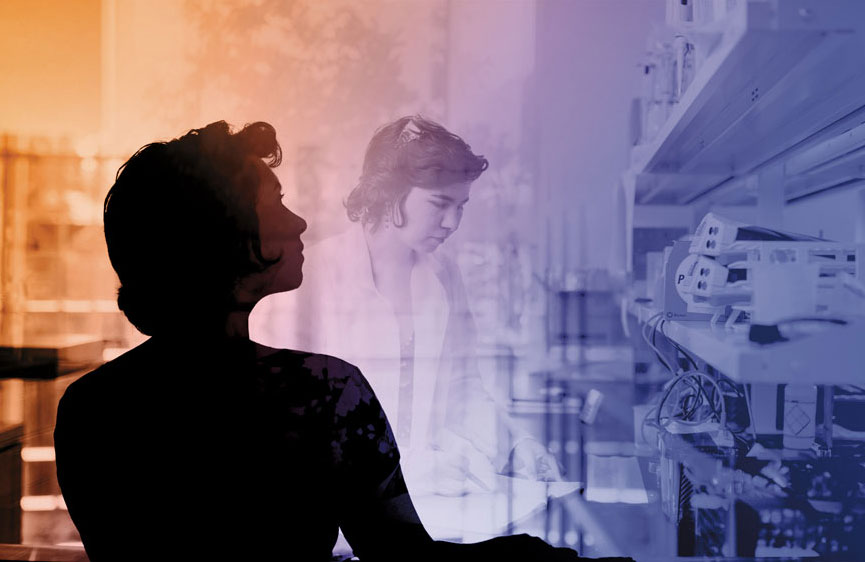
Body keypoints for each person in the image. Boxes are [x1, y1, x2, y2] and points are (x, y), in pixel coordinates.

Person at [52, 121, 596, 561]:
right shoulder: (326, 393)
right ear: (226, 232)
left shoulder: (88, 408)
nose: (301, 220)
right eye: (277, 202)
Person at [250, 116, 559, 500]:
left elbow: (462, 388)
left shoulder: (444, 274)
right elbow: (281, 427)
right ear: (389, 194)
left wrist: (514, 447)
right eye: (439, 204)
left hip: (431, 499)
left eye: (461, 206)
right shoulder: (306, 281)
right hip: (332, 513)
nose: (452, 223)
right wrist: (402, 469)